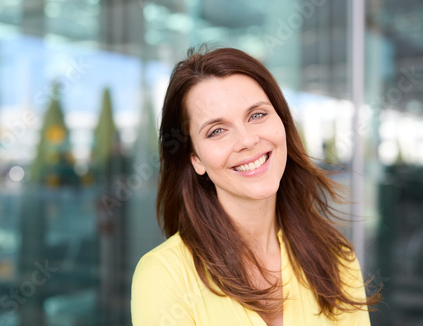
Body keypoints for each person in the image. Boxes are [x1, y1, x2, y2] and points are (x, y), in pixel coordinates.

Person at [131, 47, 381, 326]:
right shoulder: (163, 276)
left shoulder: (335, 258)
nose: (247, 140)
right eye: (217, 131)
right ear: (195, 159)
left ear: (282, 122)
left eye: (257, 115)